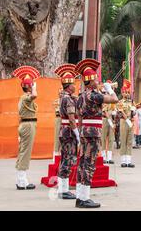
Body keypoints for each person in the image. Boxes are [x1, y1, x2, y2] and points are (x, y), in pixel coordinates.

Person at [75, 58, 118, 209]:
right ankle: (85, 197)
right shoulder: (94, 95)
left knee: (82, 163)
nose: (97, 81)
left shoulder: (81, 96)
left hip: (84, 131)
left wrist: (79, 132)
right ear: (90, 81)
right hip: (93, 132)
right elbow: (114, 99)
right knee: (90, 163)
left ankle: (80, 195)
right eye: (95, 79)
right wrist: (109, 88)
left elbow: (79, 116)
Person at [12, 66, 41, 190]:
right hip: (28, 125)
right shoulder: (26, 97)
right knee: (25, 152)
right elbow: (34, 95)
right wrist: (34, 88)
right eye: (32, 85)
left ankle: (21, 179)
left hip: (25, 124)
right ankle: (22, 181)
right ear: (28, 87)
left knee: (23, 151)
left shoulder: (22, 98)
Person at [54, 64, 80, 200]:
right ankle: (63, 190)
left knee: (65, 158)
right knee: (68, 159)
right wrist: (77, 133)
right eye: (74, 84)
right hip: (69, 132)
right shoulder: (68, 99)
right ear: (69, 85)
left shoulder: (65, 97)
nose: (75, 86)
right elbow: (71, 118)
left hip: (64, 132)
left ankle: (62, 188)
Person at [118, 80, 135, 168]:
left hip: (130, 122)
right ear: (122, 93)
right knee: (123, 141)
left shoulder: (131, 102)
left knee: (129, 141)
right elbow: (121, 112)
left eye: (128, 92)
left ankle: (129, 161)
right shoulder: (120, 102)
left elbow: (134, 112)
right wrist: (127, 119)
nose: (127, 94)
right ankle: (123, 161)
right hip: (124, 122)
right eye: (125, 92)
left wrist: (133, 113)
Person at [101, 81, 116, 164]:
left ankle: (109, 158)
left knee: (111, 139)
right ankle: (103, 156)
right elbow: (103, 111)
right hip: (104, 119)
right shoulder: (103, 98)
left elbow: (114, 110)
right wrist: (108, 117)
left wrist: (114, 113)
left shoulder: (112, 100)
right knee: (103, 139)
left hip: (111, 120)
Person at [53, 91, 62, 157]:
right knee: (57, 136)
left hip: (66, 119)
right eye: (60, 93)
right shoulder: (56, 102)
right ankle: (56, 153)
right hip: (59, 119)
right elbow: (57, 111)